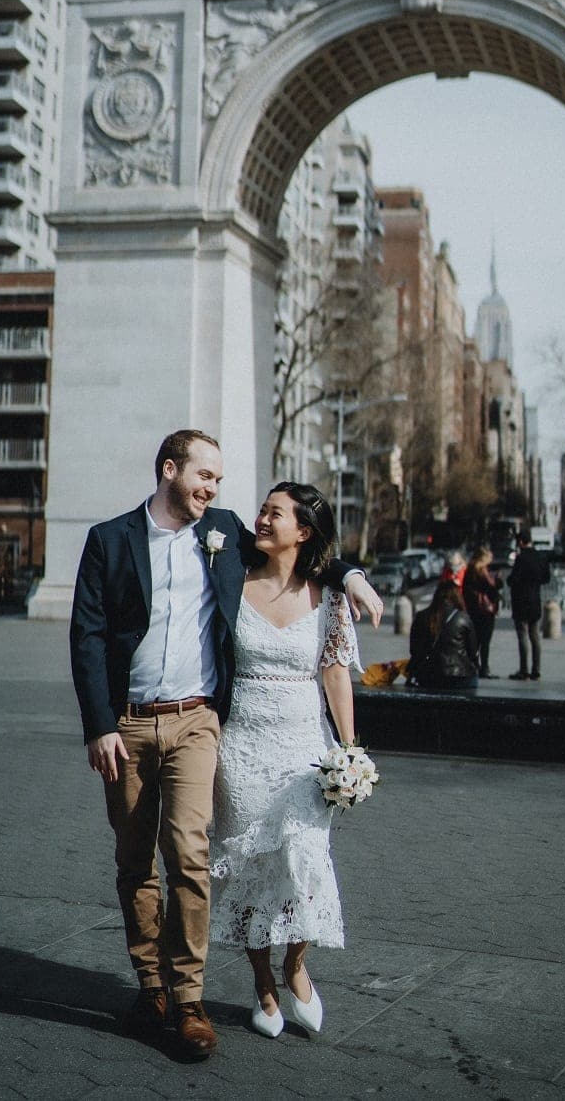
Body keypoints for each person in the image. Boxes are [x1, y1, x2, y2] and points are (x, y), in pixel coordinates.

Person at [69, 430, 382, 1060]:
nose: (214, 488)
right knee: (135, 862)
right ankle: (151, 985)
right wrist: (99, 724)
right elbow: (88, 636)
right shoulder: (109, 540)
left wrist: (352, 574)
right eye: (204, 475)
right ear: (169, 470)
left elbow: (306, 548)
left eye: (219, 479)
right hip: (127, 725)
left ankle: (190, 1001)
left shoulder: (225, 531)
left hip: (198, 723)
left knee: (189, 854)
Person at [209, 482, 358, 1039]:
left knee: (304, 861)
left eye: (275, 513)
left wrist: (349, 749)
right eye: (263, 510)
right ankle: (262, 984)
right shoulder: (230, 580)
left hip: (303, 747)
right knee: (248, 867)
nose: (262, 520)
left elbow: (336, 672)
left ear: (304, 531)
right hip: (242, 743)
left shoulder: (328, 595)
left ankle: (296, 966)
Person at [407, 578, 480, 691]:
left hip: (429, 675)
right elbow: (473, 651)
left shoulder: (422, 616)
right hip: (460, 676)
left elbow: (414, 649)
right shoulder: (463, 618)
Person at [508, 529, 551, 681]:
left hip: (521, 601)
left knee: (522, 636)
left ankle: (524, 670)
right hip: (535, 600)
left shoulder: (521, 558)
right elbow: (546, 578)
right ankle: (536, 670)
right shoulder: (541, 557)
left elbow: (513, 579)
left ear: (520, 542)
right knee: (535, 637)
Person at [461, 546, 502, 678]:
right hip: (485, 609)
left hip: (473, 609)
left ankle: (473, 666)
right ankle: (484, 668)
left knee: (475, 640)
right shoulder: (481, 570)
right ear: (484, 558)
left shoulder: (470, 569)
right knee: (485, 641)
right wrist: (497, 579)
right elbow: (492, 587)